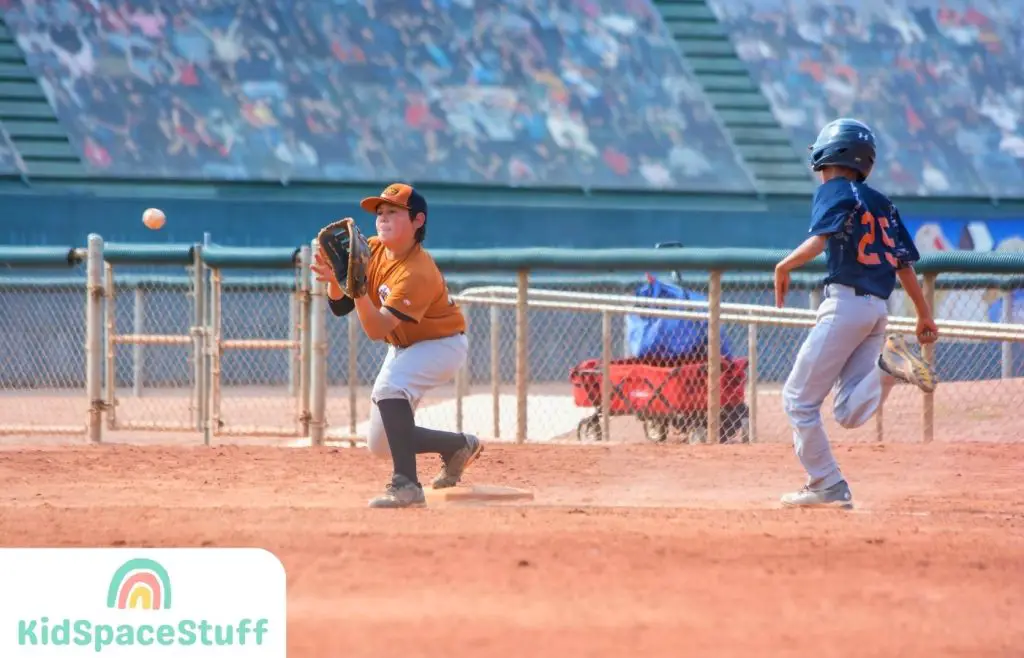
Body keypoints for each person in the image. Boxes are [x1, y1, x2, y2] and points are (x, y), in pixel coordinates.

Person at [773, 118, 939, 510]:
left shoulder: (833, 189)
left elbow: (821, 239)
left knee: (798, 399)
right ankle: (887, 369)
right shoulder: (883, 203)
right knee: (847, 411)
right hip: (876, 310)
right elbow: (904, 265)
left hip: (845, 305)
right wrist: (923, 314)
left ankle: (826, 483)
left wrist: (784, 265)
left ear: (827, 154)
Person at [311, 183, 484, 509]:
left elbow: (376, 329)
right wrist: (338, 283)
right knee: (380, 444)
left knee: (391, 388)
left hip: (440, 345)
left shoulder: (416, 271)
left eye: (393, 212)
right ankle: (457, 446)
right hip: (404, 347)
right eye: (380, 212)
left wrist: (359, 289)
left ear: (418, 221)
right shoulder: (373, 250)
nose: (383, 219)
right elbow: (341, 307)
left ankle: (406, 486)